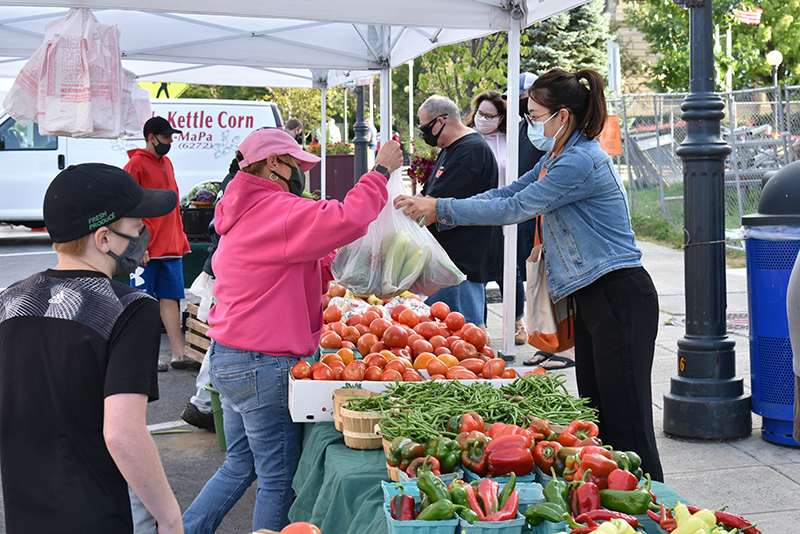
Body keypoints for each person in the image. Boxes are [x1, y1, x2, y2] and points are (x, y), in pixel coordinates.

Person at [395, 69, 664, 481]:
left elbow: (516, 209)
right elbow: (507, 193)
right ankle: (615, 506)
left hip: (619, 294)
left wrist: (442, 209)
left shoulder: (579, 161)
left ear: (563, 115)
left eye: (534, 115)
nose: (529, 125)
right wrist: (438, 201)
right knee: (599, 414)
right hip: (594, 295)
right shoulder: (556, 156)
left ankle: (651, 507)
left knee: (627, 421)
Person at [181, 129, 403, 533]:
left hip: (229, 356)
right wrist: (381, 171)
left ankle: (184, 529)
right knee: (278, 481)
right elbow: (347, 217)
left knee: (240, 463)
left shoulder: (242, 208)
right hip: (263, 362)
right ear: (272, 164)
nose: (301, 172)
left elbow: (286, 259)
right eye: (295, 164)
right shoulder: (276, 210)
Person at [0, 163, 183, 533]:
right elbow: (122, 433)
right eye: (135, 228)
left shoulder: (9, 301)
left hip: (24, 514)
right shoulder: (131, 308)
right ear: (103, 238)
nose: (143, 236)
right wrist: (169, 517)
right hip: (98, 513)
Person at [413, 95, 503, 336]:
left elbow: (433, 208)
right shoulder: (450, 148)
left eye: (425, 128)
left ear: (441, 121)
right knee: (448, 334)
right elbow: (429, 195)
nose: (424, 134)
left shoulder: (470, 151)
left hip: (462, 263)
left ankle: (480, 372)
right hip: (449, 262)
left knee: (466, 333)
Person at [125, 116, 195, 372]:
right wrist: (137, 244)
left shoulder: (167, 162)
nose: (170, 141)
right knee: (143, 303)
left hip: (171, 246)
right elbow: (128, 209)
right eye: (166, 137)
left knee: (171, 300)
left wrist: (181, 238)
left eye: (171, 137)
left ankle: (179, 354)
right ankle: (144, 357)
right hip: (146, 249)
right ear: (151, 137)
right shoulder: (134, 165)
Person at [180, 158, 240, 433]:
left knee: (221, 337)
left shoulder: (234, 183)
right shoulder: (239, 187)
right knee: (222, 339)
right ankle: (203, 403)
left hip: (221, 270)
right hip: (225, 273)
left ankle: (203, 402)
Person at [464, 89, 528, 345]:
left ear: (501, 118)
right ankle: (479, 327)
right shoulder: (468, 138)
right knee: (476, 273)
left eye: (490, 115)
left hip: (505, 217)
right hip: (476, 218)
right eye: (480, 113)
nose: (483, 118)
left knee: (510, 273)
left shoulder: (511, 140)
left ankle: (516, 322)